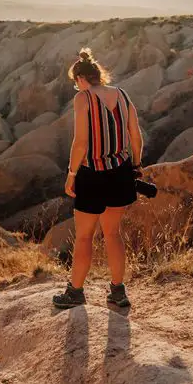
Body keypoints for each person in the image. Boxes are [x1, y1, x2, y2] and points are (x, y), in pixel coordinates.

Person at [52, 48, 144, 309]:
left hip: (92, 175)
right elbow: (135, 135)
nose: (76, 87)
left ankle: (76, 292)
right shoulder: (123, 95)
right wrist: (136, 164)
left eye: (75, 82)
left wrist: (71, 174)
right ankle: (118, 292)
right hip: (120, 172)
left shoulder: (83, 99)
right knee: (113, 234)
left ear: (81, 79)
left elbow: (80, 142)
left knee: (84, 237)